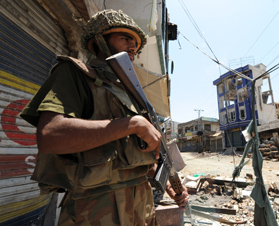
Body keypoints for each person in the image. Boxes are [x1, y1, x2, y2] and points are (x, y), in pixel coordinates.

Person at [20, 9, 188, 226]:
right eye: (125, 38)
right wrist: (132, 124)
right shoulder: (74, 74)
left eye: (135, 45)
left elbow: (137, 157)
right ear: (100, 41)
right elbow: (50, 135)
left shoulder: (131, 95)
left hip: (141, 210)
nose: (132, 48)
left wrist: (167, 184)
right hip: (94, 212)